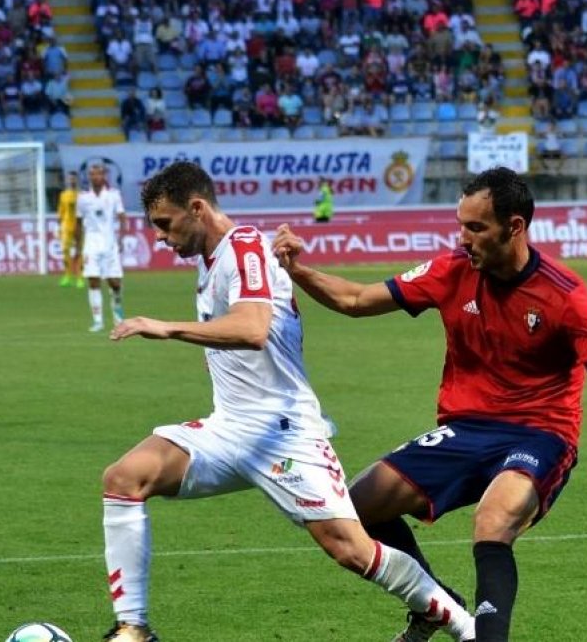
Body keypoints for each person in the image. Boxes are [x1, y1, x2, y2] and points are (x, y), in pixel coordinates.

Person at [100, 161, 475, 642]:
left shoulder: (245, 250)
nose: (160, 237)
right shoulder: (212, 258)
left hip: (282, 432)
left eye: (165, 224)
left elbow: (253, 329)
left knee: (352, 550)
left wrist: (168, 327)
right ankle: (134, 629)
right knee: (125, 478)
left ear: (197, 209)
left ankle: (465, 627)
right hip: (230, 427)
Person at [272, 166, 587, 642]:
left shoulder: (564, 295)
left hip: (540, 433)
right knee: (354, 507)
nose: (462, 239)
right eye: (460, 225)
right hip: (466, 429)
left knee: (492, 522)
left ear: (514, 227)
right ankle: (435, 604)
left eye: (475, 227)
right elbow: (356, 299)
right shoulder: (451, 271)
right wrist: (297, 270)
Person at [75, 164, 126, 332]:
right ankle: (98, 321)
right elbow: (78, 222)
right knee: (93, 280)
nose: (95, 177)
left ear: (104, 176)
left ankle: (118, 317)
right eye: (92, 174)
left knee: (114, 282)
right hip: (91, 243)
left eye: (98, 174)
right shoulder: (83, 198)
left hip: (110, 243)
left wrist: (121, 238)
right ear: (89, 177)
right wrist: (78, 247)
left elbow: (122, 216)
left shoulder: (113, 195)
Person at [56, 171, 83, 288]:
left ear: (77, 180)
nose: (72, 181)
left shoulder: (82, 195)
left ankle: (80, 278)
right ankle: (67, 276)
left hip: (79, 226)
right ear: (67, 180)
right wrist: (58, 227)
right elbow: (60, 212)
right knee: (65, 250)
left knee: (79, 251)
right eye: (70, 179)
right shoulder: (63, 195)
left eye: (74, 179)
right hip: (67, 226)